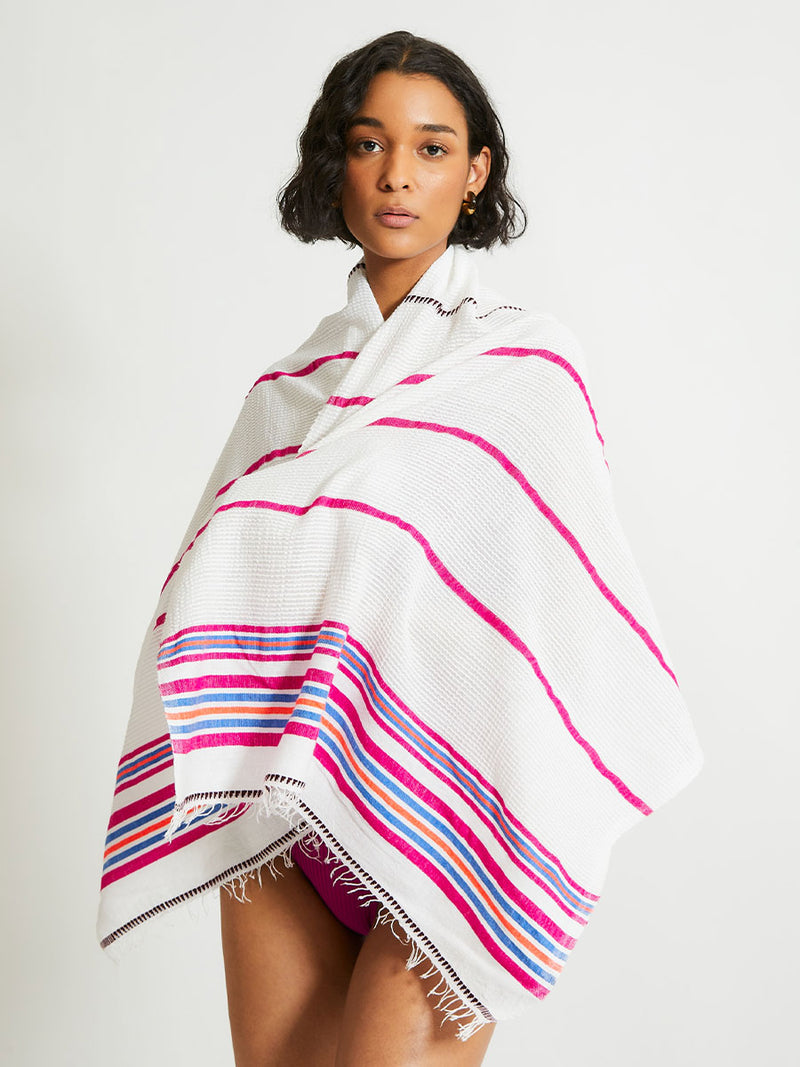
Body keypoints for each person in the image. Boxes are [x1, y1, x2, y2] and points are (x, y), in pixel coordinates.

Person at [97, 30, 703, 1067]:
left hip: (447, 805)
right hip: (280, 817)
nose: (395, 174)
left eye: (431, 149)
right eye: (370, 143)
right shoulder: (284, 394)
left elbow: (559, 596)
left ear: (474, 174)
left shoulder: (520, 367)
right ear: (337, 162)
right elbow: (202, 592)